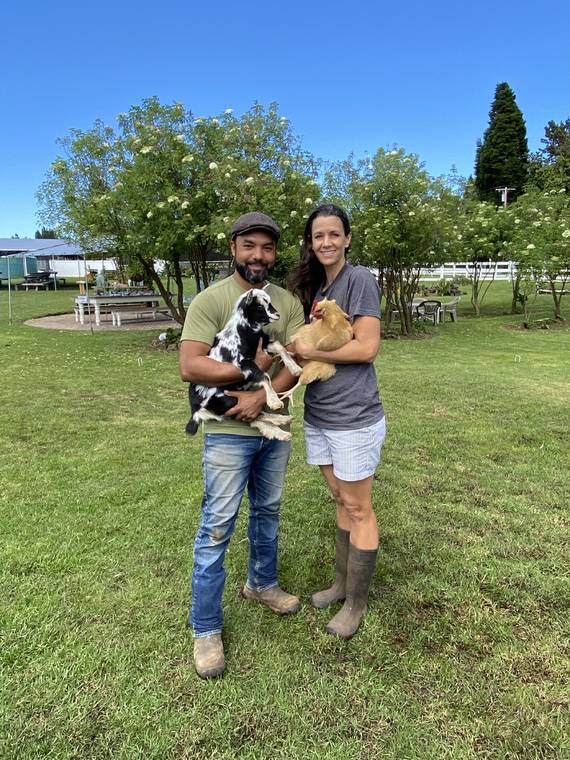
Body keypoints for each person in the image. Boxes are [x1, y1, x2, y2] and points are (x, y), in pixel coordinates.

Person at [179, 212, 305, 679]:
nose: (258, 255)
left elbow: (297, 360)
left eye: (267, 248)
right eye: (249, 246)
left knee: (268, 512)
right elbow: (191, 367)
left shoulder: (286, 302)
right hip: (228, 434)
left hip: (272, 424)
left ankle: (262, 584)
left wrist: (259, 395)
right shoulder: (212, 300)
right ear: (233, 247)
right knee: (217, 526)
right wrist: (247, 369)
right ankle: (206, 627)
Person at [288, 203, 386, 639]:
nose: (325, 242)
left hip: (354, 415)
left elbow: (366, 348)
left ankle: (356, 604)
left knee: (358, 505)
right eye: (318, 236)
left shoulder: (359, 279)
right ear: (311, 243)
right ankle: (341, 583)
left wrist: (312, 353)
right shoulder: (318, 289)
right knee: (338, 497)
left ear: (347, 238)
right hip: (321, 411)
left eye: (333, 234)